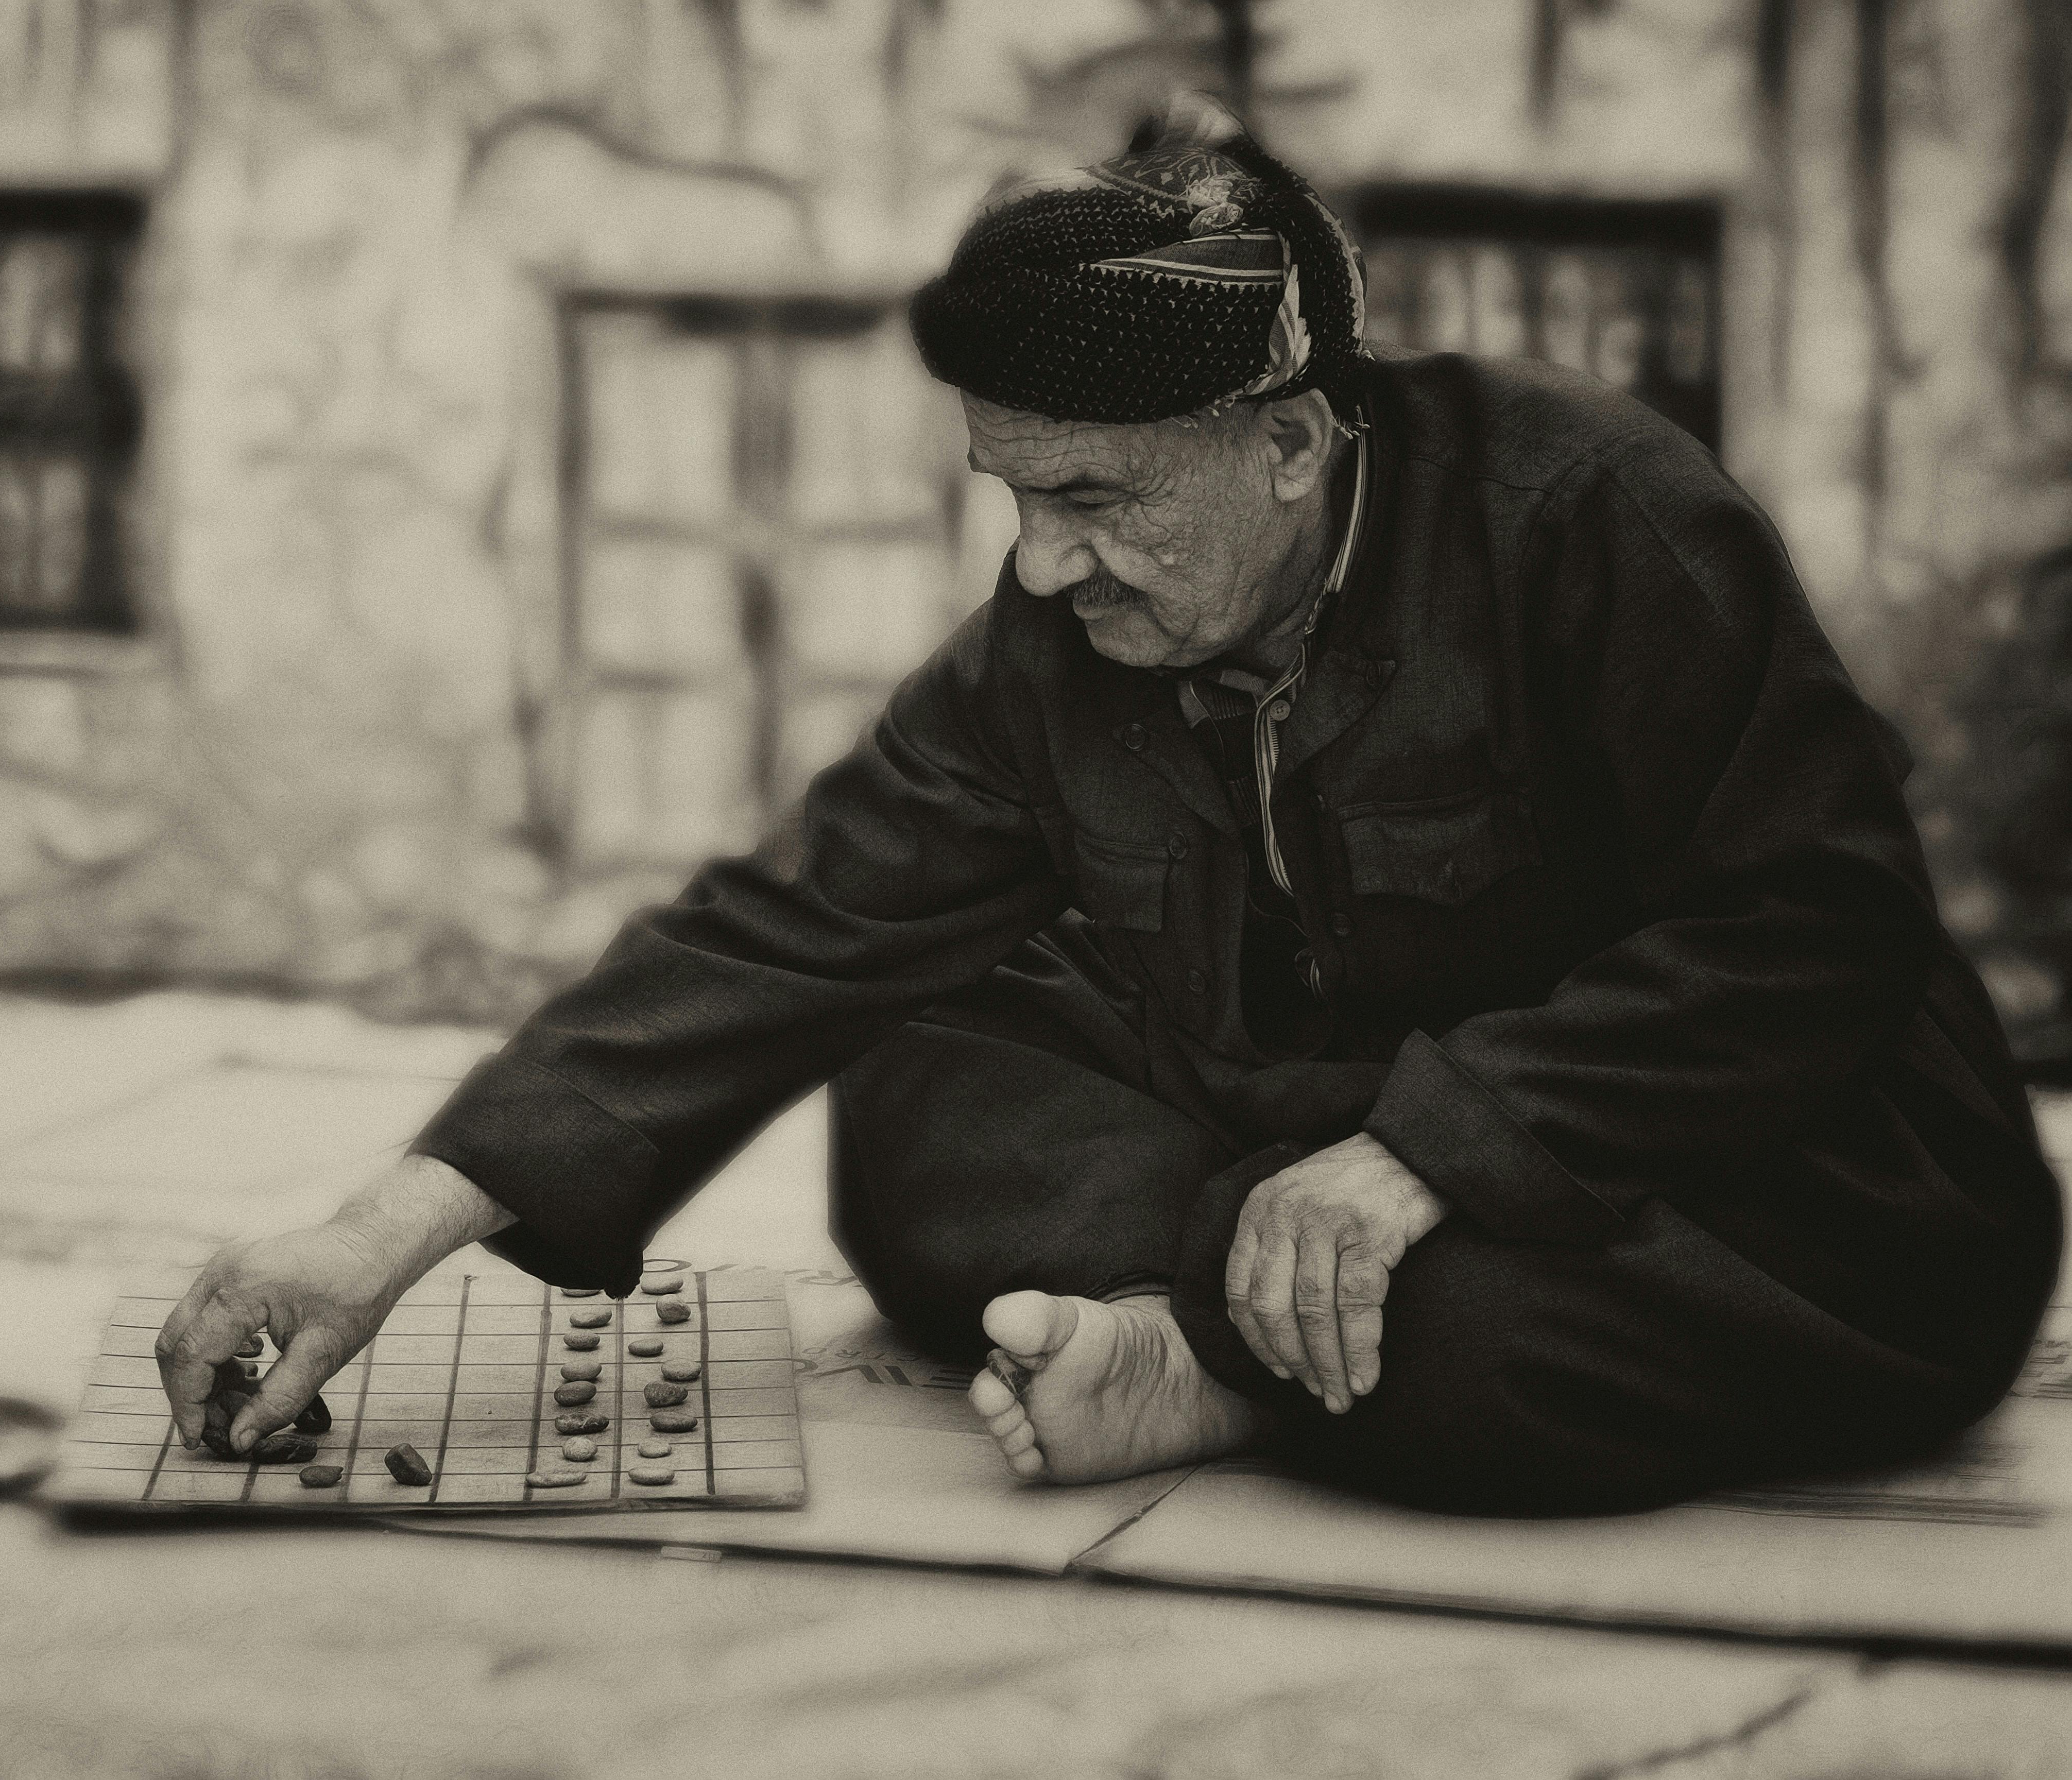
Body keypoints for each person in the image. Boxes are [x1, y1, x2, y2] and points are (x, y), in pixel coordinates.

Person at [156, 98, 2062, 1515]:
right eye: (1011, 498)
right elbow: (793, 922)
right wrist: (378, 1230)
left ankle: (1220, 1356)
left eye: (1095, 501)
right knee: (908, 1081)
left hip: (1738, 1159)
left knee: (1476, 1346)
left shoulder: (1596, 518)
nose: (1045, 568)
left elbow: (1813, 930)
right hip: (1300, 1113)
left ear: (1292, 448)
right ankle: (1258, 1312)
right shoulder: (1067, 635)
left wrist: (1433, 1154)